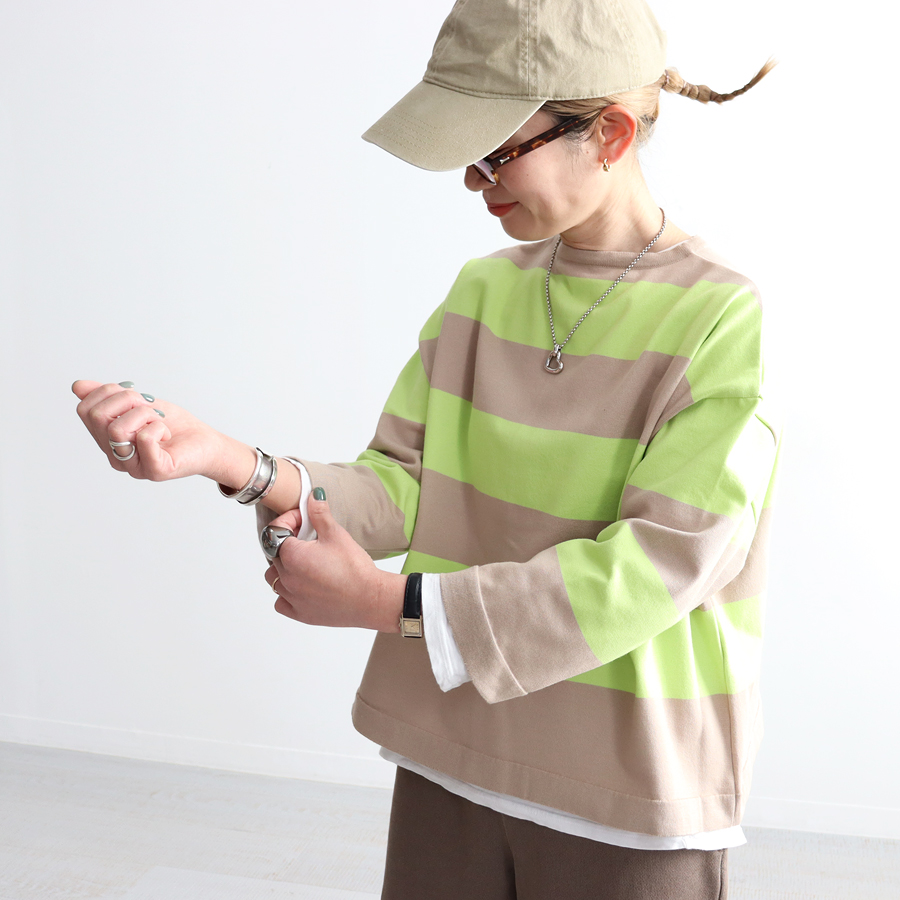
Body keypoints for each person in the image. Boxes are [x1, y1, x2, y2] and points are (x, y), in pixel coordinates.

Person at [73, 0, 780, 897]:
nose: (474, 180)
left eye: (496, 151)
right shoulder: (483, 291)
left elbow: (657, 567)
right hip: (454, 755)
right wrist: (227, 460)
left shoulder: (720, 316)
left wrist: (389, 603)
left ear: (608, 134)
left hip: (628, 790)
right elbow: (405, 485)